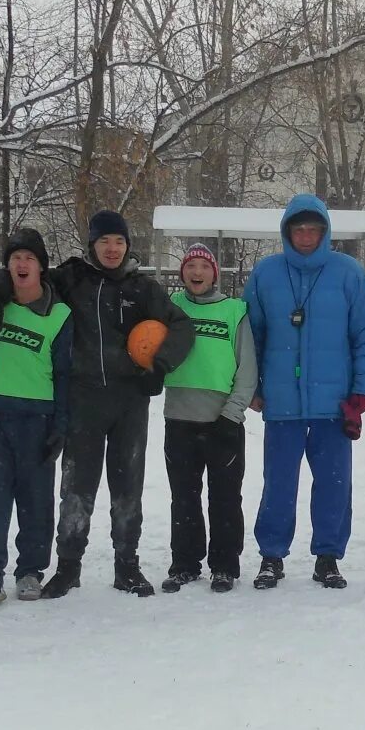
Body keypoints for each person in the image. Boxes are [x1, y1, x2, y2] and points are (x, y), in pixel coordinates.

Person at [43, 209, 195, 597]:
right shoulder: (71, 279)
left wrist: (159, 366)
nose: (112, 248)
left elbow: (181, 326)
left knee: (128, 487)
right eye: (104, 241)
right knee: (77, 487)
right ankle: (68, 566)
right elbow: (22, 280)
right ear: (92, 244)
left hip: (130, 401)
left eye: (119, 241)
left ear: (128, 246)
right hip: (84, 399)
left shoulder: (143, 289)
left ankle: (127, 565)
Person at [243, 194, 365, 590]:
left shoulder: (348, 273)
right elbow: (249, 335)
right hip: (282, 403)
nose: (306, 236)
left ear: (325, 231)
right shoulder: (266, 274)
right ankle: (272, 555)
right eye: (298, 229)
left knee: (335, 483)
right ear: (288, 232)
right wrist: (251, 386)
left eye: (313, 229)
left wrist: (362, 391)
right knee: (279, 483)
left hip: (334, 405)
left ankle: (328, 556)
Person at [0, 228, 73, 614]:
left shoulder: (59, 315)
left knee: (36, 502)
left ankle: (30, 570)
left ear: (41, 267)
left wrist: (60, 424)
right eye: (14, 259)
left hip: (37, 419)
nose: (21, 264)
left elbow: (63, 375)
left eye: (28, 258)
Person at [159, 243, 258, 594]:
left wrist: (232, 414)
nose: (196, 272)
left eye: (203, 266)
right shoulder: (170, 309)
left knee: (225, 498)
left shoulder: (235, 311)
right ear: (182, 272)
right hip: (179, 418)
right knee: (183, 497)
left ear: (214, 273)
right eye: (190, 266)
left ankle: (224, 566)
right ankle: (185, 564)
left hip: (223, 420)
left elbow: (247, 369)